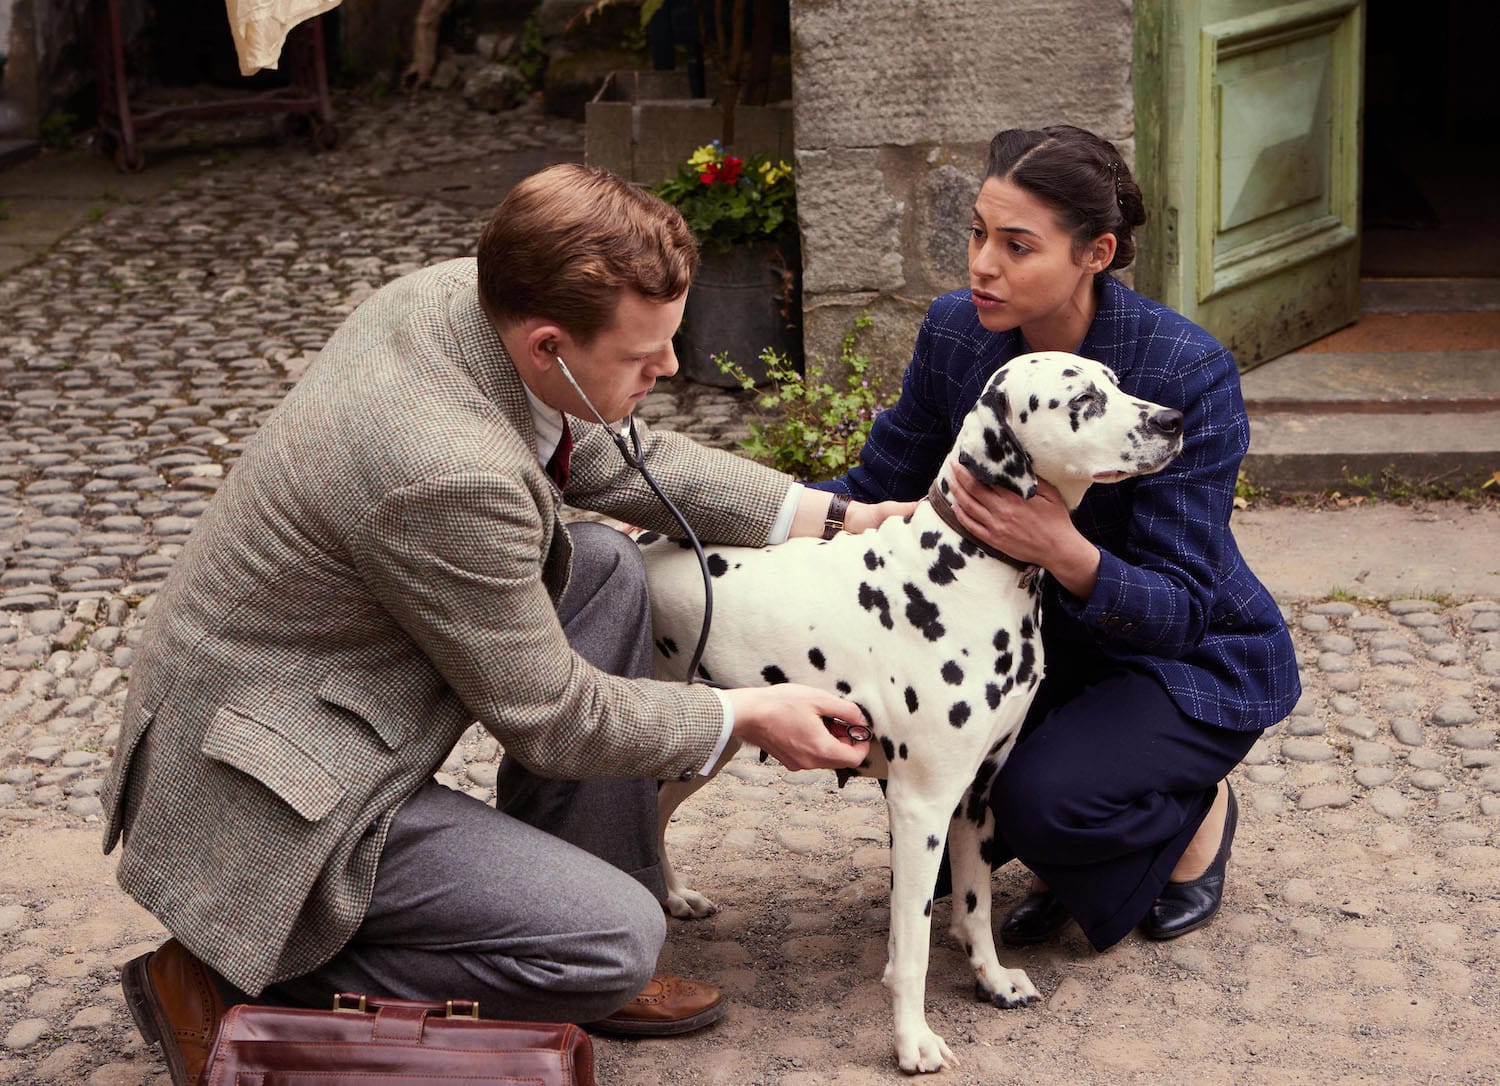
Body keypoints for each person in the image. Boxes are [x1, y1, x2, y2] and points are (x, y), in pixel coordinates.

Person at [101, 162, 909, 1086]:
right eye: (645, 357)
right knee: (611, 942)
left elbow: (616, 457)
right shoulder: (451, 472)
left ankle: (588, 913)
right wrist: (746, 715)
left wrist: (836, 516)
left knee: (602, 567)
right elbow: (554, 717)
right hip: (267, 781)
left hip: (310, 688)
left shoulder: (473, 294)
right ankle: (235, 967)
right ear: (548, 345)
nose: (673, 369)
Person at [814, 125, 1300, 952]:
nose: (982, 265)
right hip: (1030, 643)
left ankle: (1192, 812)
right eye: (976, 233)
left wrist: (1060, 547)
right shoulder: (956, 334)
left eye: (1017, 245)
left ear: (1095, 252)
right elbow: (874, 488)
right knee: (920, 742)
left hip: (1181, 655)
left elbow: (1183, 607)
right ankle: (1060, 824)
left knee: (1040, 805)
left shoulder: (1183, 373)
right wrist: (731, 522)